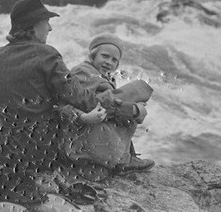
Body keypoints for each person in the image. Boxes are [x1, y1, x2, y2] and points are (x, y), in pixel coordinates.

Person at [0, 0, 107, 209]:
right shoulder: (46, 53)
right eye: (46, 22)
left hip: (3, 141)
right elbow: (74, 94)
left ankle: (14, 185)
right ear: (33, 26)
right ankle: (34, 185)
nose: (50, 28)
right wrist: (100, 103)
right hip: (39, 144)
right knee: (65, 114)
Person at [60, 33, 154, 179]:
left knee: (128, 102)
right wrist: (132, 108)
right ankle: (122, 160)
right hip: (79, 134)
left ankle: (126, 157)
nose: (109, 62)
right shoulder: (83, 71)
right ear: (93, 55)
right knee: (136, 90)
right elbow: (87, 104)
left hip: (90, 135)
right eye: (104, 56)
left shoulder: (104, 77)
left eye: (114, 60)